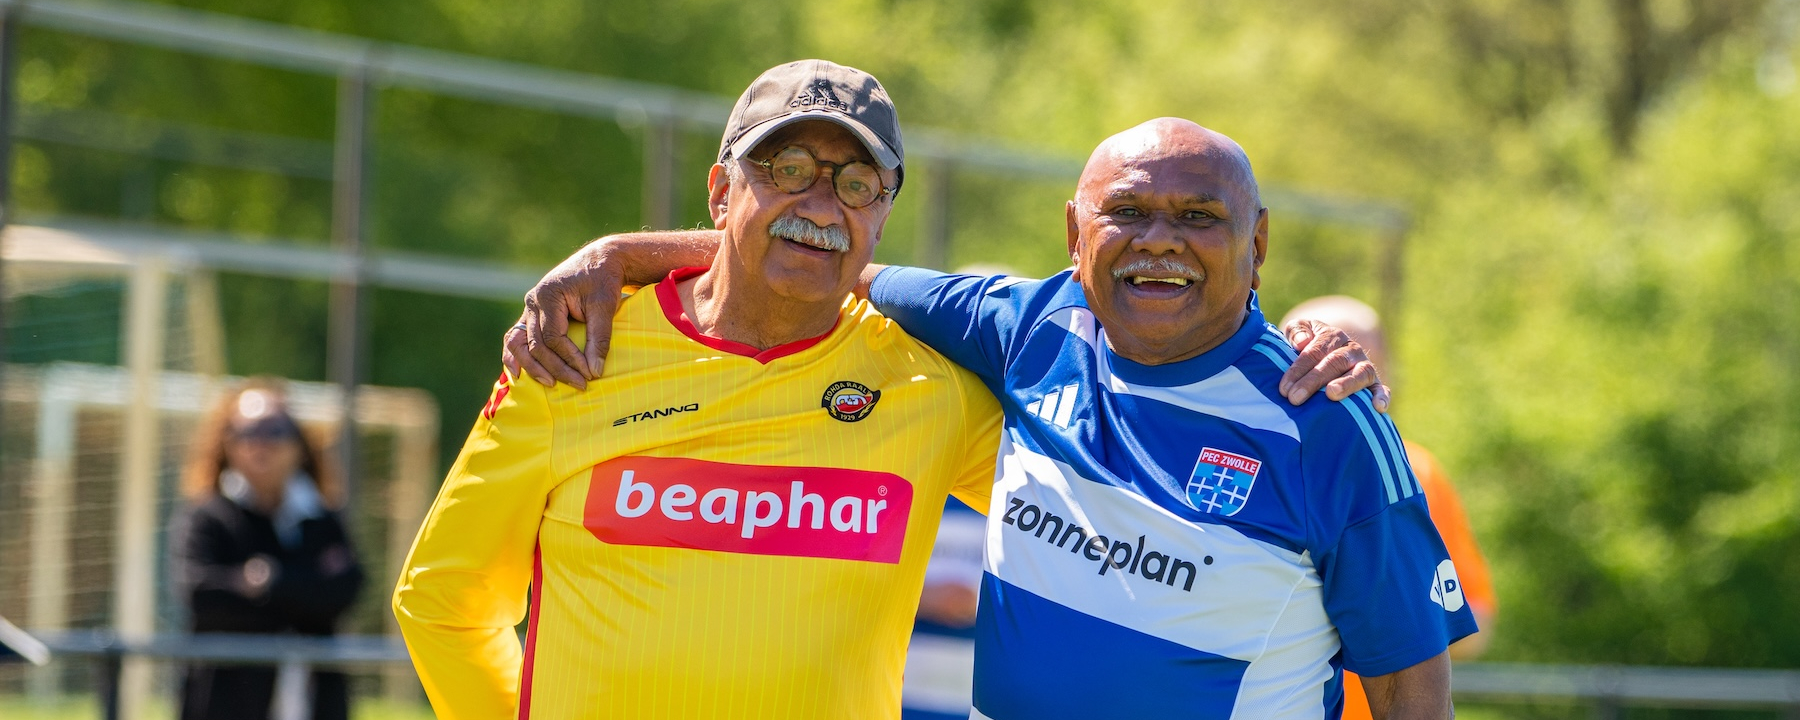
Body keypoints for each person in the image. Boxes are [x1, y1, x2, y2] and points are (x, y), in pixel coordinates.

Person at [400, 61, 1377, 720]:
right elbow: (441, 603)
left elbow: (1134, 471)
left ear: (886, 213)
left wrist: (1267, 354)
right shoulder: (584, 347)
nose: (820, 206)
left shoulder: (928, 384)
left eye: (856, 185)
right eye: (787, 170)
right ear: (718, 189)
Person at [1281, 295, 1499, 720]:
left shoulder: (1419, 473)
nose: (1341, 380)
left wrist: (1381, 612)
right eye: (1316, 362)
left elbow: (1476, 623)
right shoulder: (1244, 456)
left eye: (1361, 364)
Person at [172, 381, 364, 720]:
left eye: (275, 430)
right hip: (225, 704)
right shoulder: (208, 518)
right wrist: (304, 593)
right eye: (248, 431)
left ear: (299, 443)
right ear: (227, 442)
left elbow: (346, 590)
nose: (262, 444)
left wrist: (266, 583)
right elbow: (198, 593)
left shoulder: (322, 520)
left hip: (313, 703)